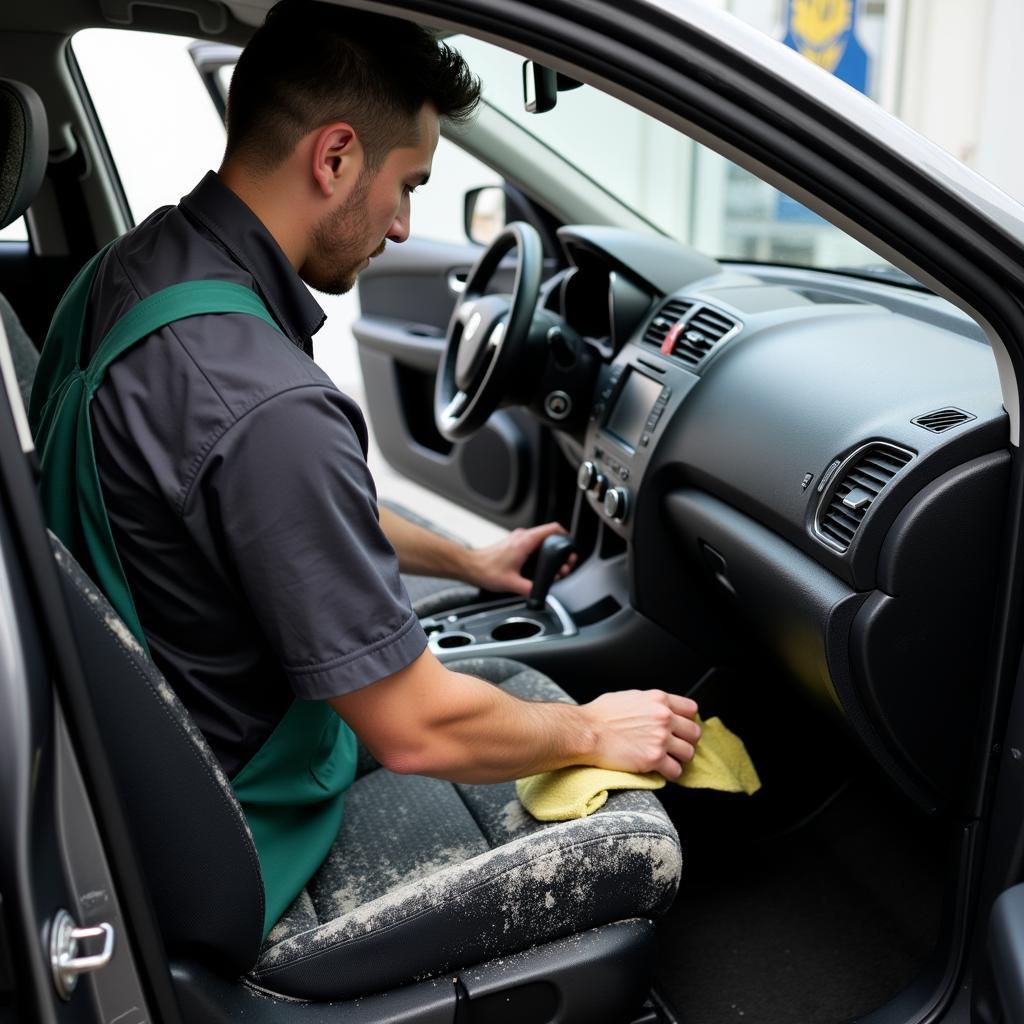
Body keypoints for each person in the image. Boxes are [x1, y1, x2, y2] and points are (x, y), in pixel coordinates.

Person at [32, 0, 700, 931]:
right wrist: (595, 729)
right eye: (409, 185)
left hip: (150, 757)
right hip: (240, 831)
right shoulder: (262, 400)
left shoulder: (129, 271)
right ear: (335, 156)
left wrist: (468, 563)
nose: (400, 226)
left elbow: (275, 513)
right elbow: (418, 726)